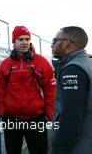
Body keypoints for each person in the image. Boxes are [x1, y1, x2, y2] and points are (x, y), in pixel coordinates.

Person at [0, 26, 56, 154]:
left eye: (27, 39)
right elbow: (1, 90)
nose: (24, 42)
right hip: (12, 118)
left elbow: (50, 89)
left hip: (36, 117)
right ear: (14, 42)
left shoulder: (42, 62)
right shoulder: (5, 65)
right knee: (12, 151)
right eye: (20, 39)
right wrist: (2, 113)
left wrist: (49, 114)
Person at [51, 26, 92, 154]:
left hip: (79, 145)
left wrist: (59, 149)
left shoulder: (73, 69)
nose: (52, 45)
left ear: (66, 43)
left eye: (55, 40)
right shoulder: (87, 62)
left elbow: (71, 118)